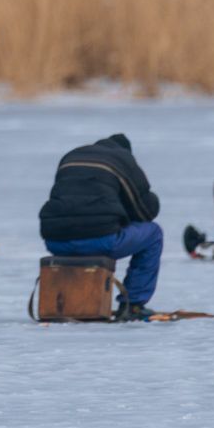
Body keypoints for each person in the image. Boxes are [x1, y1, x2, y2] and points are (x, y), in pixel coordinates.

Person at [37, 133, 162, 319]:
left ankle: (70, 302)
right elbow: (146, 211)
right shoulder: (122, 160)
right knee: (153, 233)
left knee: (90, 231)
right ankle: (133, 305)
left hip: (56, 241)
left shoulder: (71, 156)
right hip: (100, 240)